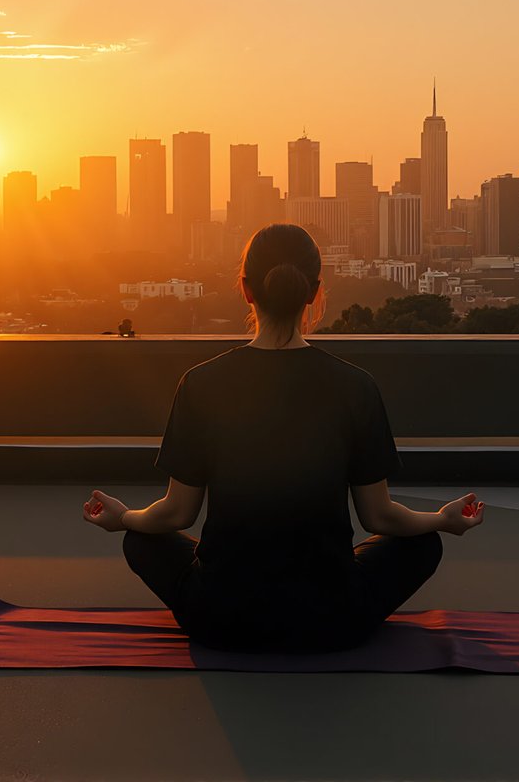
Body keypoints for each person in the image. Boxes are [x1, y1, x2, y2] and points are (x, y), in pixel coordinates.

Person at [82, 222, 485, 652]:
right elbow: (379, 518)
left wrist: (123, 518)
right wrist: (443, 520)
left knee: (142, 539)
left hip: (220, 617)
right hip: (332, 618)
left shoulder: (202, 383)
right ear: (314, 292)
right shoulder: (355, 386)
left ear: (245, 289)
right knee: (422, 545)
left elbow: (176, 514)